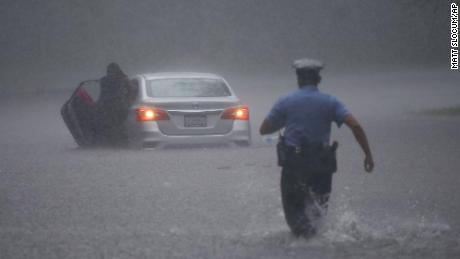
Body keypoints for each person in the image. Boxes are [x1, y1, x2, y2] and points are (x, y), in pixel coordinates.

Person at [259, 58, 374, 238]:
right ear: (318, 80)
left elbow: (264, 129)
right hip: (321, 165)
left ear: (298, 80)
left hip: (294, 165)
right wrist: (368, 155)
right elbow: (356, 127)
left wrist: (286, 120)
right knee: (317, 216)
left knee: (295, 219)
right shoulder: (330, 101)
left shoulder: (285, 101)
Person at [97, 63, 132, 145]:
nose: (110, 73)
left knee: (116, 125)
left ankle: (119, 142)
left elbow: (131, 91)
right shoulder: (122, 79)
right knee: (115, 125)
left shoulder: (106, 80)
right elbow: (131, 91)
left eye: (112, 71)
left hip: (115, 107)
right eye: (109, 71)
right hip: (112, 107)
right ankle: (120, 142)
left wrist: (127, 101)